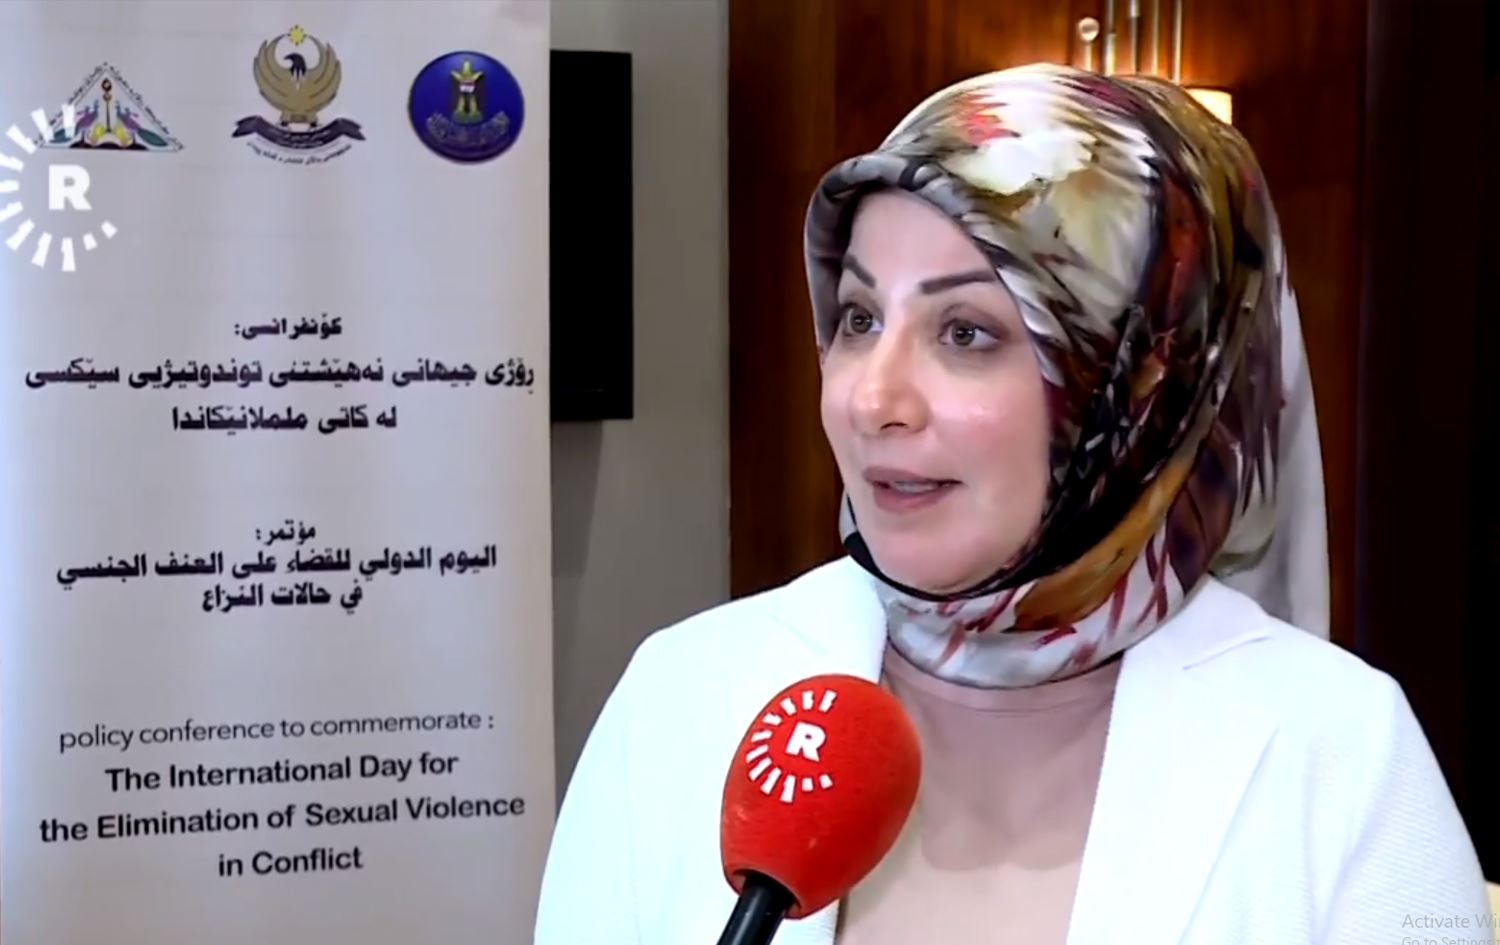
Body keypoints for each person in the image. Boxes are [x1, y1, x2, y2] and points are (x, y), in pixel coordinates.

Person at [533, 63, 1491, 944]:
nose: (871, 398)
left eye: (965, 331)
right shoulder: (683, 696)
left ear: (1138, 381)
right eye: (859, 317)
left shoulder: (1342, 753)